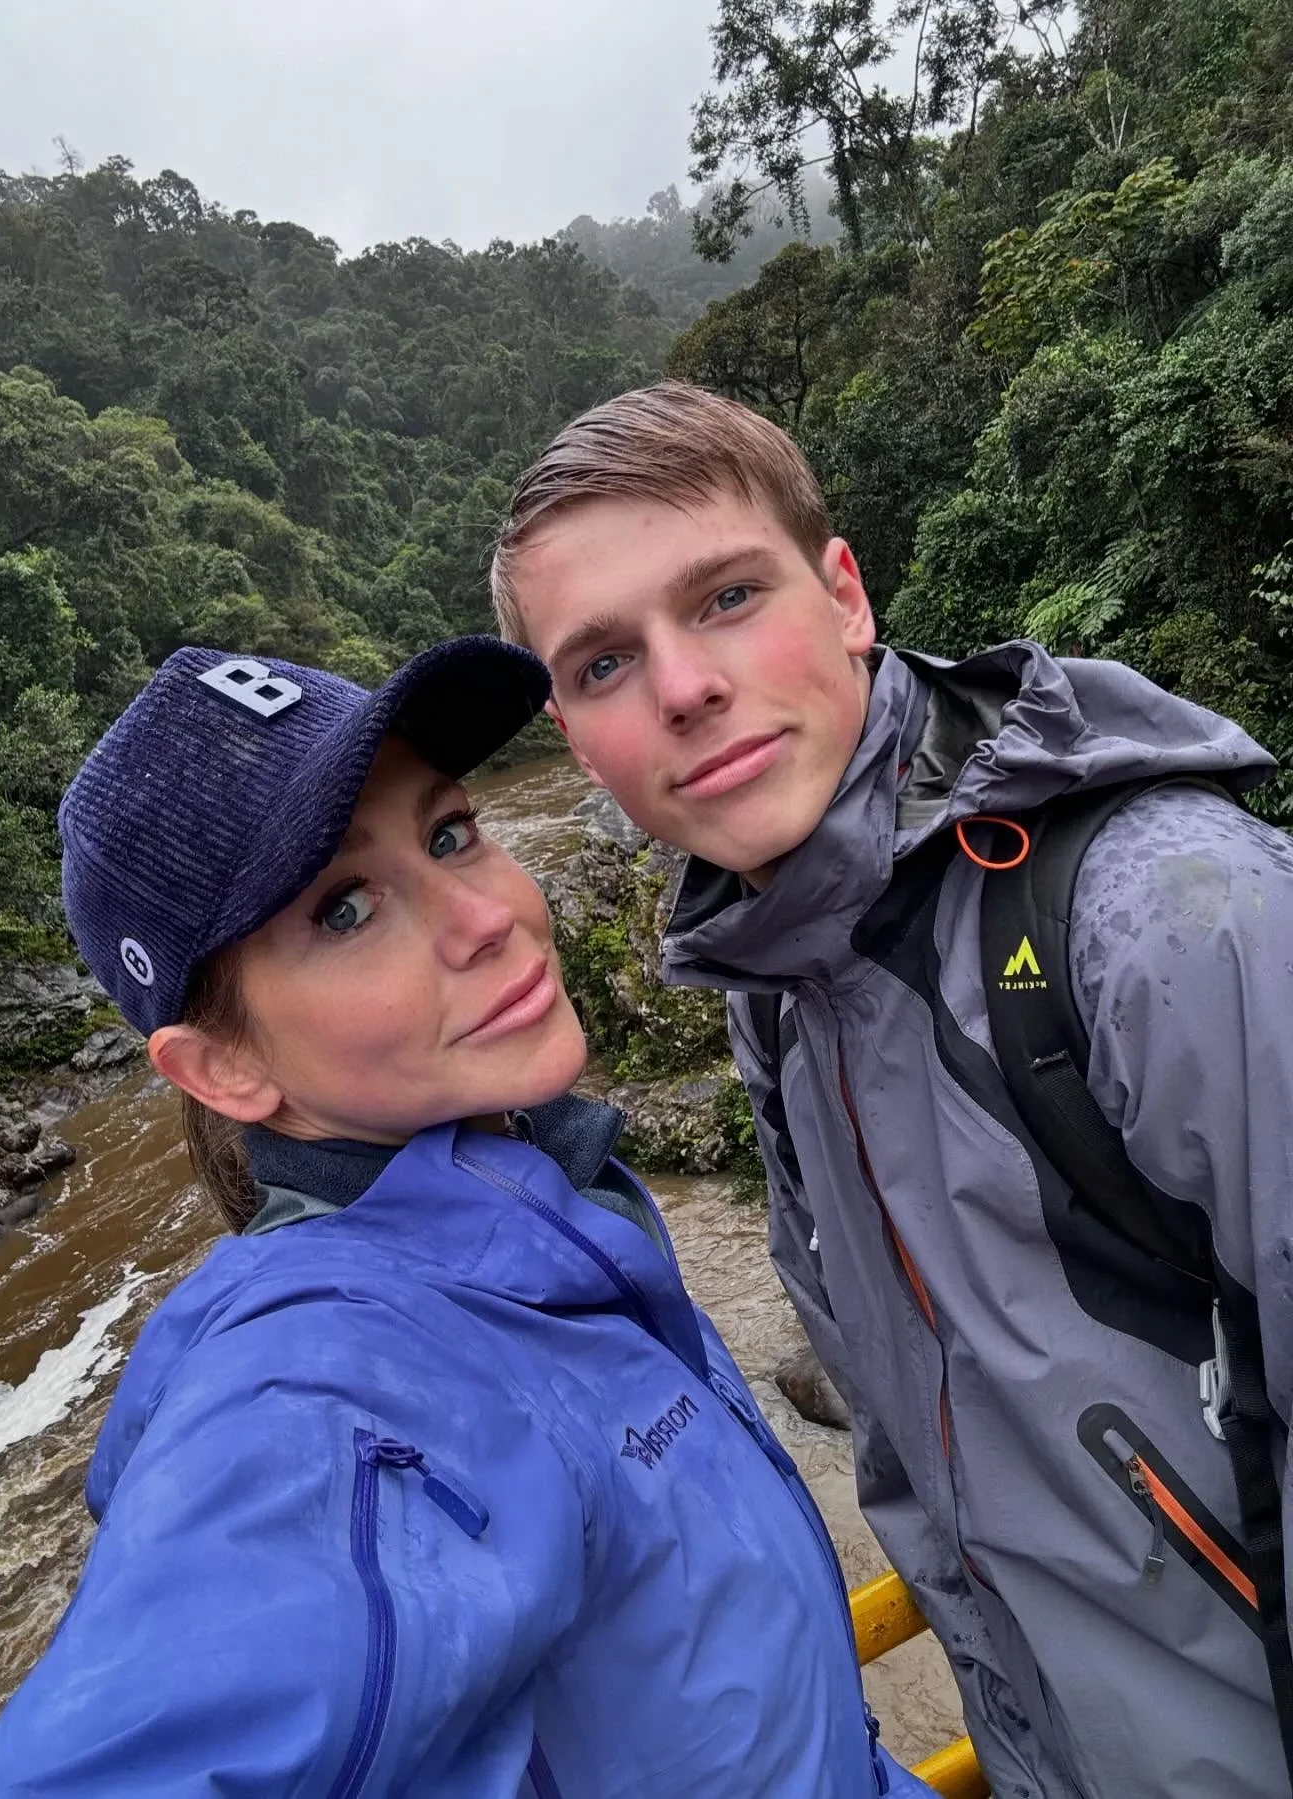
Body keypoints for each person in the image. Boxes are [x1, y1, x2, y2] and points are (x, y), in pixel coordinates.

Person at [491, 380, 1293, 1799]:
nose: (682, 686)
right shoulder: (776, 979)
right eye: (604, 662)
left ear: (846, 593)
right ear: (570, 730)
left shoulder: (1168, 917)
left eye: (728, 596)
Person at [0, 636, 928, 1799]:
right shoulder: (318, 1380)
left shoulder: (542, 1192)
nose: (486, 915)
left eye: (451, 832)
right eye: (346, 908)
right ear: (223, 1067)